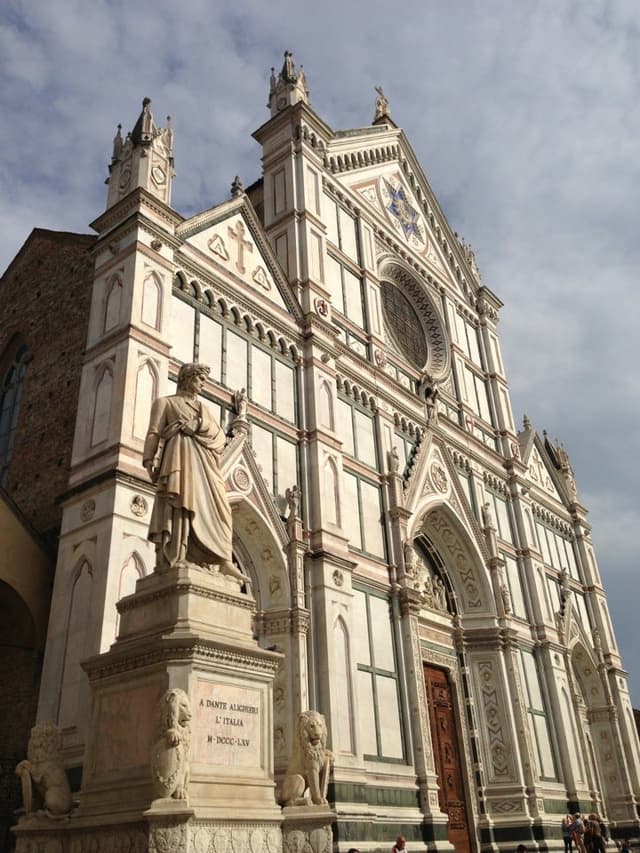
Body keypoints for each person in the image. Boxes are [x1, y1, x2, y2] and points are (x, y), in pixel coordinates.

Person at [143, 362, 242, 579]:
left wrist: (197, 424)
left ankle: (221, 557)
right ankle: (178, 556)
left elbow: (219, 438)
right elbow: (154, 432)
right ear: (187, 378)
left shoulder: (203, 410)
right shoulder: (165, 403)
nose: (203, 385)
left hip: (204, 466)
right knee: (180, 506)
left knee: (222, 509)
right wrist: (148, 458)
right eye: (200, 379)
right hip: (179, 459)